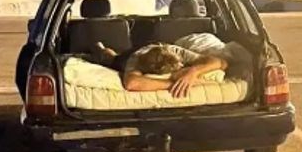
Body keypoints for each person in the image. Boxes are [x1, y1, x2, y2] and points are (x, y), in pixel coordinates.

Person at [95, 33, 252, 98]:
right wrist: (173, 84)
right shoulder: (135, 61)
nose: (181, 66)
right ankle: (100, 47)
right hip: (133, 53)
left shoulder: (177, 52)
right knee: (111, 58)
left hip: (157, 45)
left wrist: (192, 72)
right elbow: (132, 83)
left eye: (181, 65)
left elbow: (222, 62)